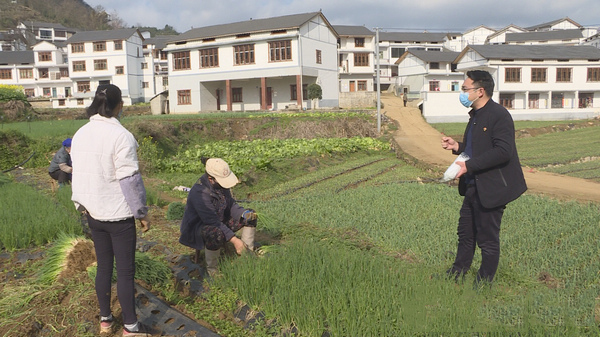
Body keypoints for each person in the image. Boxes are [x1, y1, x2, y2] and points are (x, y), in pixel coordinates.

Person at [71, 84, 151, 336]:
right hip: (118, 215)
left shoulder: (81, 133)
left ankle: (105, 320)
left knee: (104, 267)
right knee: (125, 272)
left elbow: (80, 173)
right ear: (119, 106)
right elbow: (129, 180)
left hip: (93, 214)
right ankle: (130, 327)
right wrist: (141, 212)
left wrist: (82, 204)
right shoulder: (121, 136)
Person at [440, 70, 527, 286]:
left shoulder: (499, 115)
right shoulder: (476, 116)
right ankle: (457, 273)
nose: (462, 93)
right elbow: (476, 148)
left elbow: (503, 151)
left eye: (465, 89)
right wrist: (457, 147)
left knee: (487, 240)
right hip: (472, 186)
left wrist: (468, 165)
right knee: (465, 234)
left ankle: (483, 283)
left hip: (491, 187)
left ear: (480, 91)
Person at [179, 157, 258, 276]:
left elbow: (230, 205)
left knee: (250, 217)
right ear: (210, 179)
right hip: (199, 227)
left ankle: (246, 253)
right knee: (215, 232)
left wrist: (243, 213)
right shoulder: (199, 193)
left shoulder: (220, 187)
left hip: (219, 220)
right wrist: (235, 240)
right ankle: (213, 270)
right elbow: (212, 221)